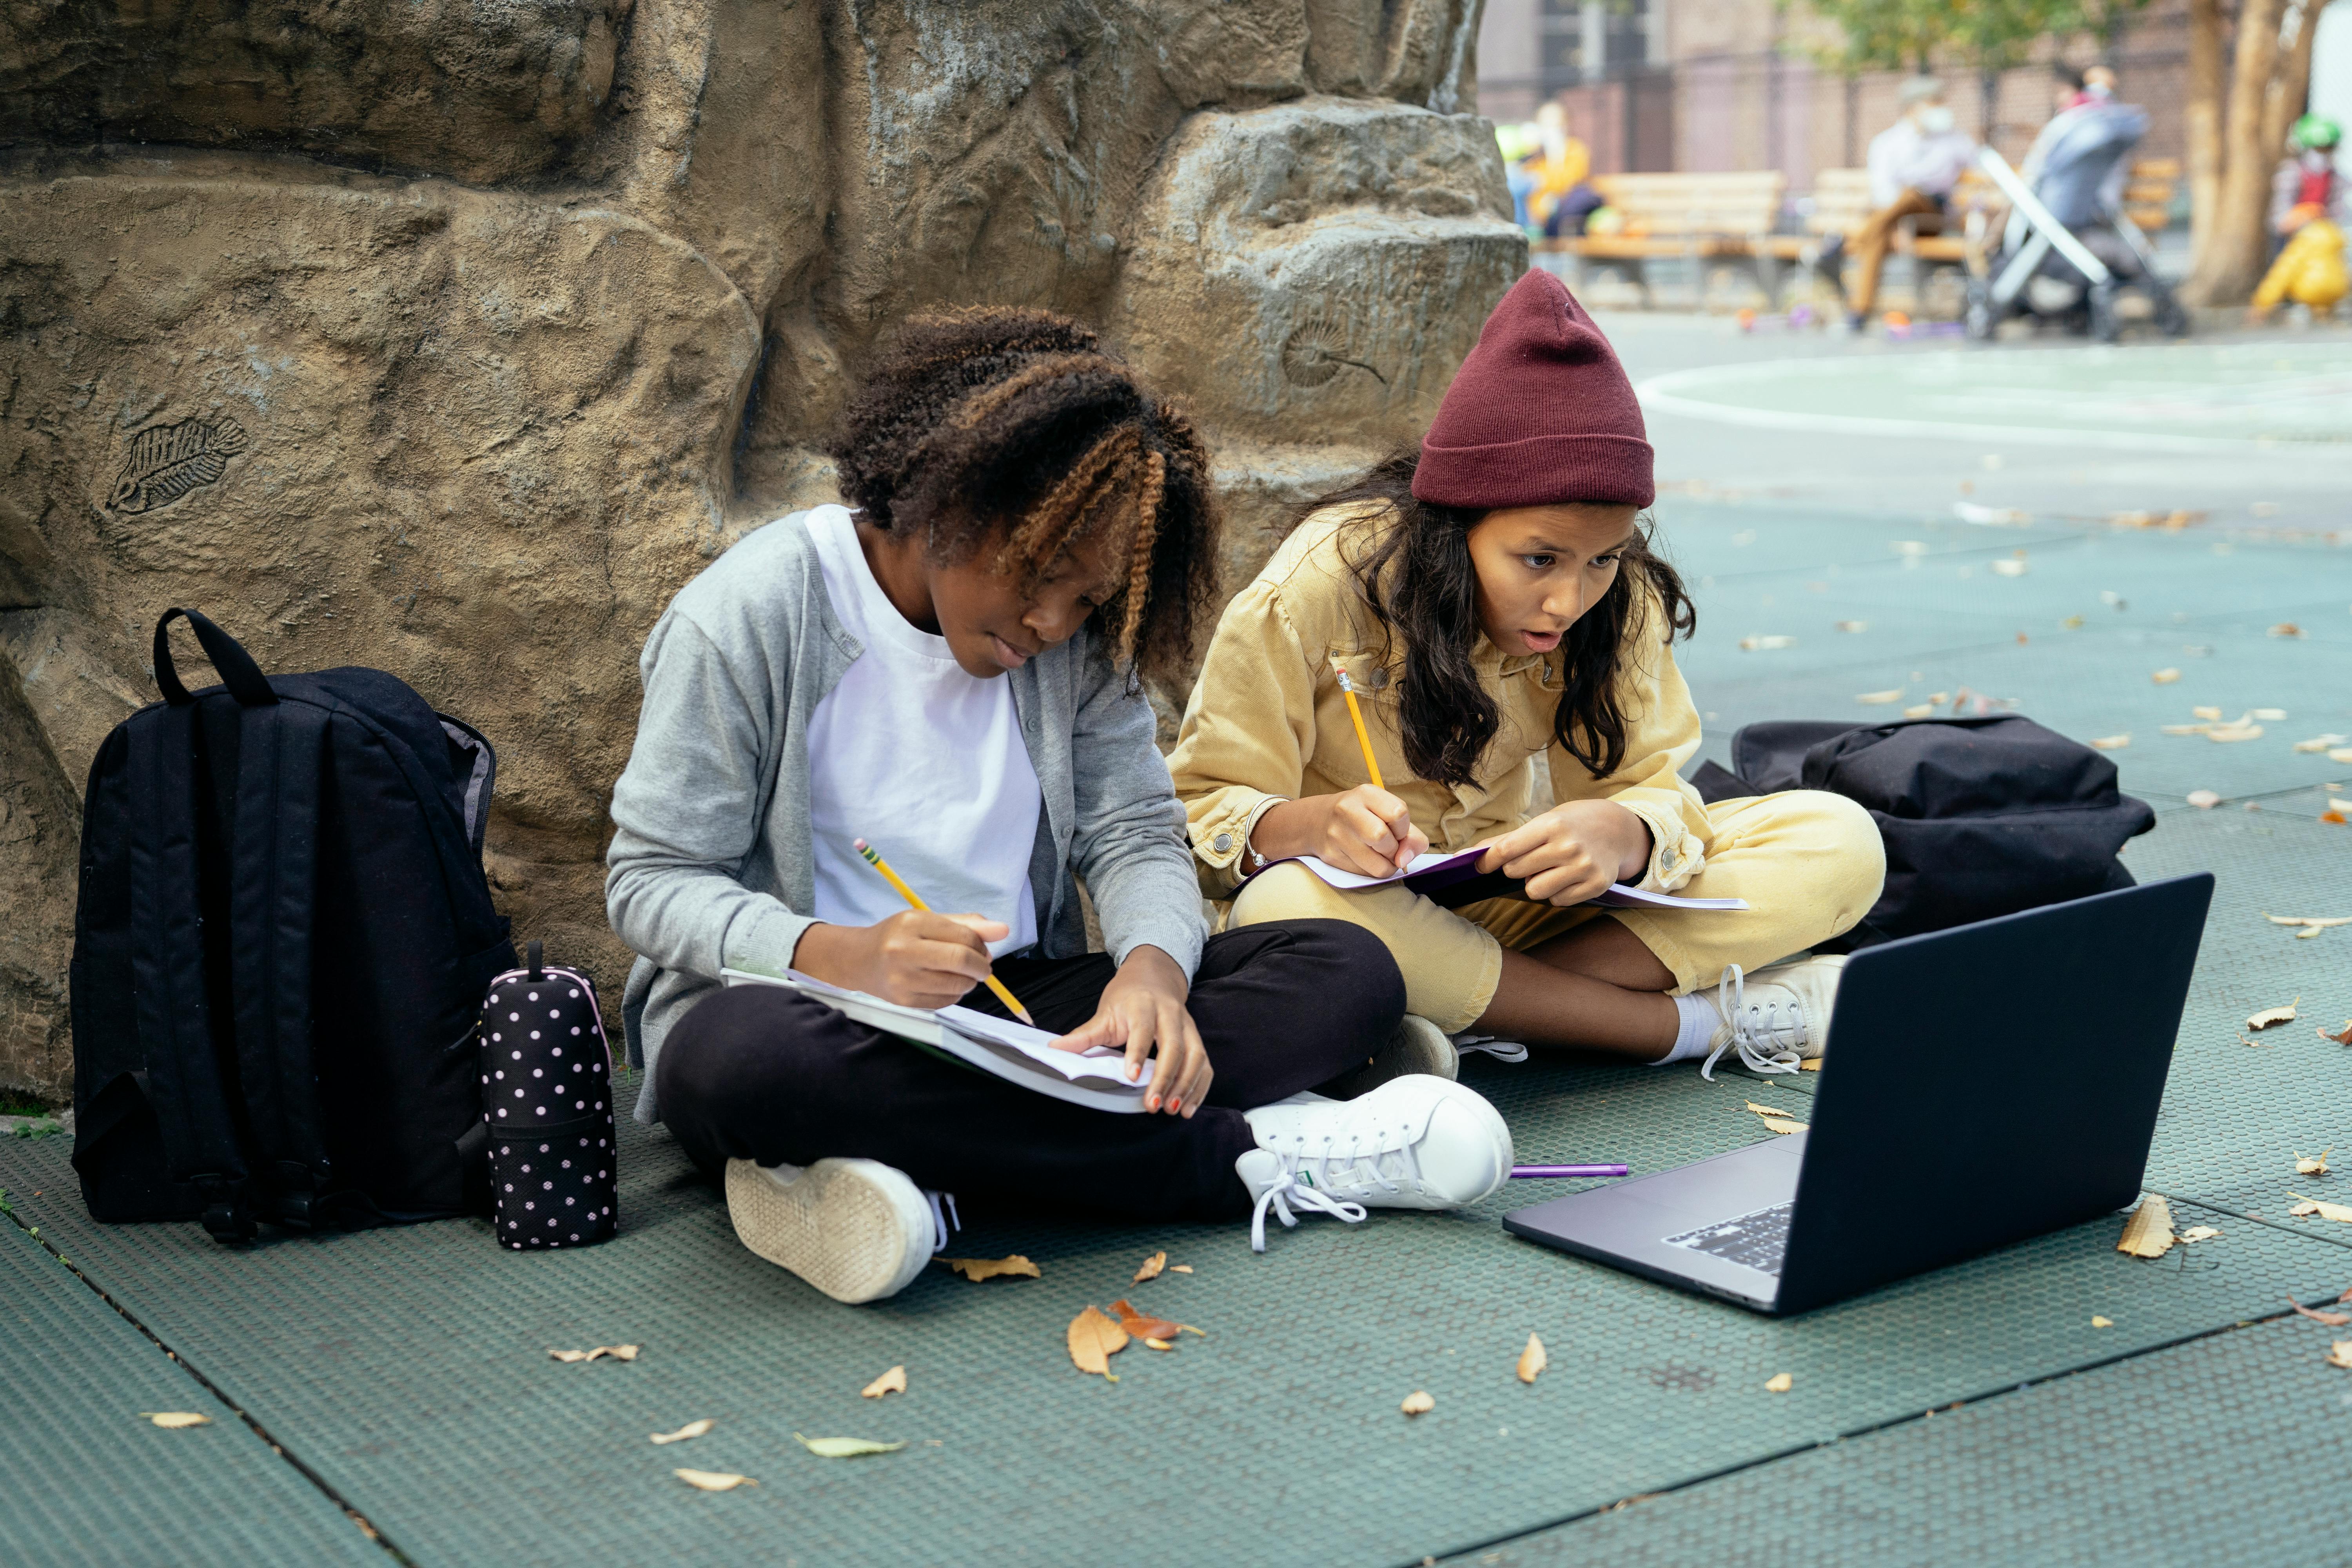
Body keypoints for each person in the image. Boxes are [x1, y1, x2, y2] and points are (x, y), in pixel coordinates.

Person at [604, 307, 1516, 1304]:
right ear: (947, 494)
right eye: (1038, 576)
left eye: (1086, 601)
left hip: (1019, 1013)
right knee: (735, 1067)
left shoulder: (1078, 648)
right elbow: (650, 883)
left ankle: (902, 1171)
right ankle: (1250, 1152)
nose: (1050, 623)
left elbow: (1133, 832)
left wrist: (1152, 979)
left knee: (1346, 966)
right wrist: (840, 953)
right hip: (813, 1011)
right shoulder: (748, 614)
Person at [1169, 270, 1886, 1074]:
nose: (1569, 599)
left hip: (1522, 918)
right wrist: (1310, 825)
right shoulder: (1323, 582)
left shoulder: (1621, 601)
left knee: (1840, 837)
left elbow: (1658, 788)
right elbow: (1199, 809)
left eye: (1603, 559)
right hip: (1358, 913)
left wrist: (1628, 833)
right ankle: (1684, 1028)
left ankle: (1457, 1015)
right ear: (1458, 521)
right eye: (1538, 558)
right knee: (1287, 903)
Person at [1844, 76, 1978, 329]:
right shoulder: (1888, 143)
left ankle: (1854, 238)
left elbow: (1979, 170)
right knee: (1880, 236)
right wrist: (1898, 226)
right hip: (1894, 219)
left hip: (1934, 215)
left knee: (1911, 195)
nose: (1940, 109)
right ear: (1912, 108)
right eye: (1933, 103)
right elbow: (1883, 191)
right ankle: (1859, 311)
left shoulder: (1955, 140)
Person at [1525, 102, 1605, 238]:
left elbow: (1571, 181)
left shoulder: (1576, 149)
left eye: (1557, 124)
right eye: (1547, 124)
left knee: (1579, 197)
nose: (1552, 129)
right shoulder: (1535, 155)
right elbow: (1530, 185)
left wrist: (1556, 156)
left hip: (1568, 204)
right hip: (1542, 214)